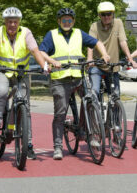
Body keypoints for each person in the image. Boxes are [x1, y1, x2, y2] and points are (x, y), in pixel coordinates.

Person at [39, 8, 110, 160]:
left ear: (73, 21)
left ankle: (89, 133)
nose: (66, 22)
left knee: (90, 100)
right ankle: (58, 146)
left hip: (78, 76)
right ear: (59, 21)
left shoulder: (79, 33)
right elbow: (42, 51)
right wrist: (52, 61)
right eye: (63, 20)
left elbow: (97, 42)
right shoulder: (51, 34)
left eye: (69, 20)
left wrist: (104, 54)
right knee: (60, 113)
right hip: (60, 79)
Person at [0, 7, 46, 160]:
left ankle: (28, 145)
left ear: (19, 22)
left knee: (25, 106)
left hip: (21, 74)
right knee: (0, 92)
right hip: (3, 71)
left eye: (15, 22)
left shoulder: (26, 32)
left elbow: (34, 50)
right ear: (5, 22)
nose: (12, 24)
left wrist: (44, 66)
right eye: (9, 22)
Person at [87, 2, 137, 96]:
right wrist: (89, 59)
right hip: (97, 65)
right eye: (103, 14)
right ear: (99, 15)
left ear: (113, 14)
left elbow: (123, 42)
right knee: (95, 92)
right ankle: (94, 108)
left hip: (112, 67)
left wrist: (130, 59)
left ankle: (114, 110)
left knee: (115, 95)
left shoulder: (118, 23)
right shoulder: (94, 26)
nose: (106, 17)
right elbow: (91, 44)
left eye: (109, 14)